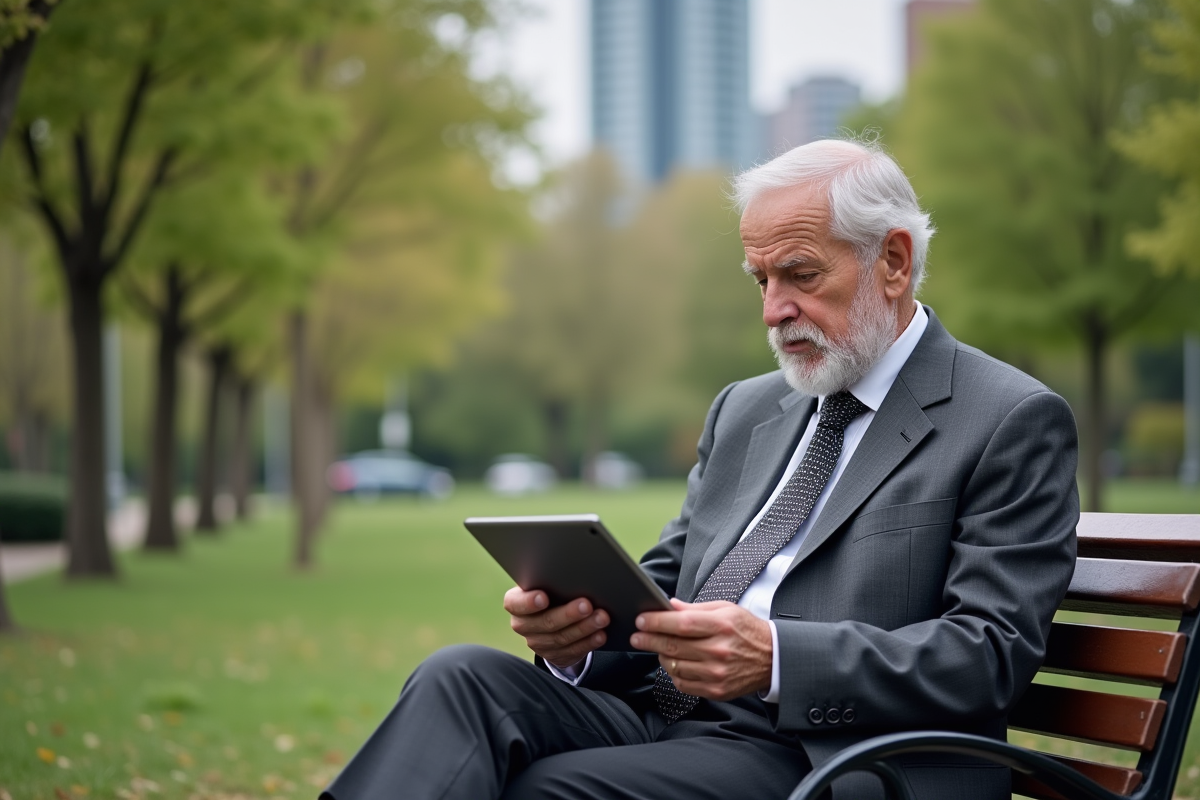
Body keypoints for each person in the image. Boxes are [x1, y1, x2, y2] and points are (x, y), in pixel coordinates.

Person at [320, 138, 1079, 800]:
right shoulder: (747, 411)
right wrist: (577, 637)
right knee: (459, 677)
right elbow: (665, 585)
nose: (773, 310)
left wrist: (778, 659)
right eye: (760, 280)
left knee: (545, 789)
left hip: (833, 757)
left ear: (893, 260)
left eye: (800, 275)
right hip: (664, 717)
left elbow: (989, 654)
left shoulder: (1007, 419)